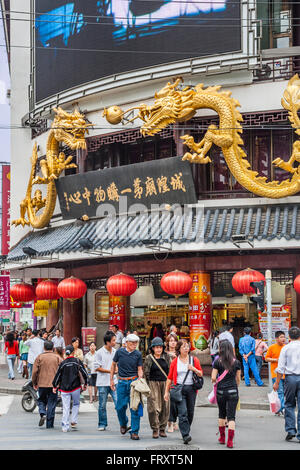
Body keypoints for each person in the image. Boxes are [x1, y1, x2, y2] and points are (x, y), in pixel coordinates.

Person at [164, 339, 203, 445]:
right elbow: (169, 378)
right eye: (183, 347)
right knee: (183, 412)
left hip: (191, 390)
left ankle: (186, 430)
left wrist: (193, 369)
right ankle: (185, 435)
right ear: (179, 349)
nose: (186, 348)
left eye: (187, 346)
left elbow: (200, 374)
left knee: (190, 413)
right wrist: (166, 392)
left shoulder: (194, 360)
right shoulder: (175, 362)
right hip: (179, 389)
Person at [110, 333, 143, 440]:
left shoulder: (138, 354)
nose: (134, 344)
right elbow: (113, 364)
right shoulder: (119, 352)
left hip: (133, 382)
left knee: (135, 407)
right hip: (122, 382)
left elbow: (140, 368)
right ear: (126, 343)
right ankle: (123, 423)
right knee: (120, 407)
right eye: (132, 342)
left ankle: (134, 431)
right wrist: (111, 379)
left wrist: (140, 378)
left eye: (136, 342)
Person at [211, 339, 241, 448]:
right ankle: (230, 442)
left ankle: (222, 438)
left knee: (221, 414)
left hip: (220, 391)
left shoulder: (217, 361)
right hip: (233, 390)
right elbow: (238, 379)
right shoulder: (236, 362)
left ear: (221, 349)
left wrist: (215, 381)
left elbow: (213, 377)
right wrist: (235, 386)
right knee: (231, 417)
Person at [53, 344, 88, 432]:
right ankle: (74, 421)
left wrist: (54, 385)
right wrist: (86, 383)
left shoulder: (63, 363)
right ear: (74, 352)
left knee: (66, 407)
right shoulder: (77, 361)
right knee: (76, 404)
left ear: (66, 352)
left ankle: (65, 426)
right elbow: (85, 373)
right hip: (75, 387)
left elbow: (57, 376)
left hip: (64, 388)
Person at [273, 326, 300, 441]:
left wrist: (277, 383)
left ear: (289, 336)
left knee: (289, 404)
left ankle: (290, 430)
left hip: (290, 379)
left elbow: (280, 368)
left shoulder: (286, 348)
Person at [143, 337, 171, 439]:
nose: (158, 349)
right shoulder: (148, 358)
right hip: (152, 383)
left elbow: (170, 371)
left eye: (160, 347)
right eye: (156, 347)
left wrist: (170, 385)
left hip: (165, 383)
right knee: (153, 407)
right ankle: (155, 428)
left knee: (165, 406)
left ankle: (162, 428)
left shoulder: (167, 357)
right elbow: (146, 373)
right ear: (153, 348)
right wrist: (146, 386)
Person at [32, 340, 62, 429]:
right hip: (54, 385)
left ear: (44, 347)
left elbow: (34, 372)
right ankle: (50, 424)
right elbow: (62, 371)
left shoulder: (39, 357)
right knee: (52, 403)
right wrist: (60, 383)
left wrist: (34, 382)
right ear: (53, 348)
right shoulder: (58, 358)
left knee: (41, 400)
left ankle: (42, 413)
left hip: (42, 384)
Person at [94, 331, 118, 431]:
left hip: (114, 382)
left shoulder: (115, 351)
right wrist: (111, 371)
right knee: (102, 405)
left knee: (118, 403)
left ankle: (123, 423)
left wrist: (116, 370)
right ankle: (102, 423)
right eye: (113, 340)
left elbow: (117, 364)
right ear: (107, 342)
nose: (115, 342)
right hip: (102, 382)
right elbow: (97, 368)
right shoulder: (99, 352)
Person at [265, 330, 286, 416]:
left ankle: (279, 408)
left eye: (284, 337)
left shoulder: (286, 347)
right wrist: (276, 360)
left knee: (285, 392)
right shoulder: (272, 347)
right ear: (276, 338)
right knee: (280, 391)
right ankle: (283, 409)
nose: (283, 339)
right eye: (281, 337)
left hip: (286, 373)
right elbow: (266, 358)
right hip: (275, 374)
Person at [165, 334, 179, 433]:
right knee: (169, 403)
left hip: (178, 380)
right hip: (168, 380)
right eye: (171, 341)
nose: (173, 342)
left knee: (177, 402)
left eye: (174, 341)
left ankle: (174, 421)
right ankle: (170, 422)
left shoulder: (180, 354)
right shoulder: (164, 354)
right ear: (167, 343)